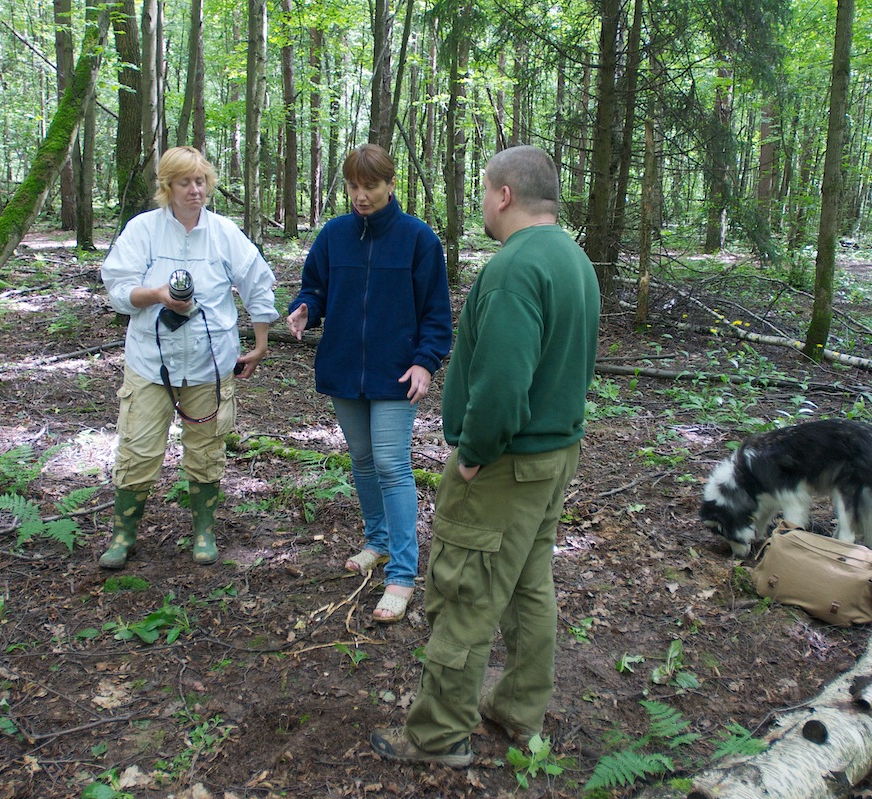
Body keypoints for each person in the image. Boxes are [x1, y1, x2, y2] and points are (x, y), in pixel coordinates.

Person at [370, 145, 600, 766]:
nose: (480, 201)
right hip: (554, 458)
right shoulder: (574, 259)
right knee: (528, 586)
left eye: (482, 190)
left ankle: (438, 734)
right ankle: (520, 710)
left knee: (466, 594)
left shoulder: (515, 269)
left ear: (504, 195)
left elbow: (502, 385)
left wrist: (473, 454)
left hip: (506, 466)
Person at [286, 144, 452, 624]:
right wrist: (306, 308)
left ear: (391, 184)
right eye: (353, 186)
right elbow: (315, 287)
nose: (361, 196)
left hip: (397, 373)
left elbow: (437, 314)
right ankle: (377, 542)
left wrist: (425, 363)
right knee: (361, 460)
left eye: (371, 186)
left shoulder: (418, 239)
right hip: (343, 368)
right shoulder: (334, 235)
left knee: (391, 464)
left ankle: (402, 573)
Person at [99, 146, 278, 569]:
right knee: (138, 450)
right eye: (185, 182)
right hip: (150, 363)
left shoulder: (224, 233)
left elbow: (257, 283)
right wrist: (158, 295)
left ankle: (204, 531)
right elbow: (118, 290)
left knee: (207, 449)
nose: (195, 190)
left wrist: (261, 342)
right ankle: (123, 536)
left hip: (209, 365)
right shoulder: (143, 230)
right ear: (167, 186)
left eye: (200, 181)